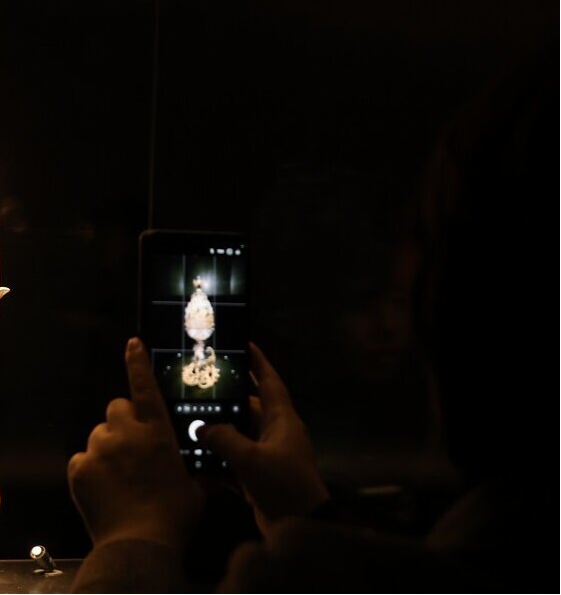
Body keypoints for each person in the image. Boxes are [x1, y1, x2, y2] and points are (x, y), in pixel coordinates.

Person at [67, 49, 551, 592]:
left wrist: (132, 538)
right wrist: (305, 512)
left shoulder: (288, 574)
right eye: (364, 303)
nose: (392, 327)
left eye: (403, 296)